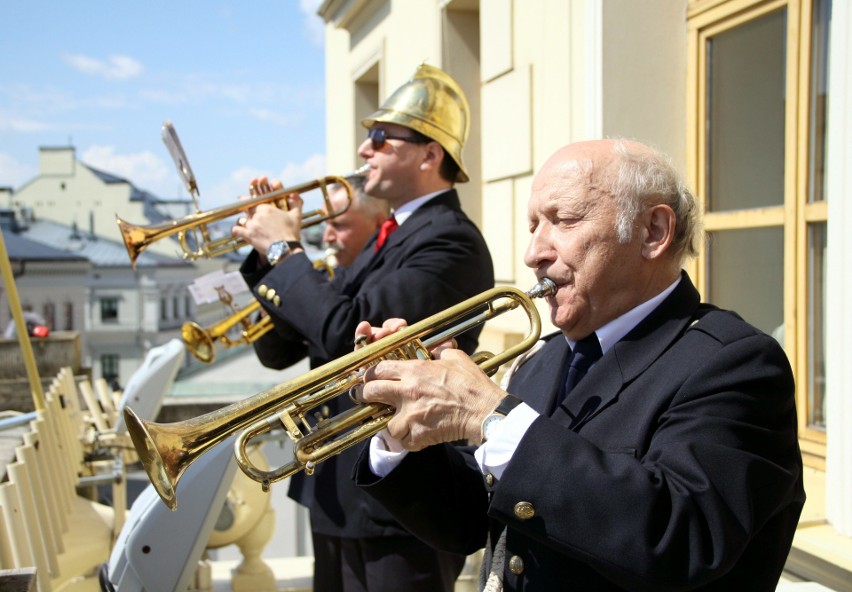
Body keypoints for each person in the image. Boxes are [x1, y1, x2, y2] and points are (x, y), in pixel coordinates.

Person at [352, 139, 806, 591]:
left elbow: (680, 538)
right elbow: (469, 522)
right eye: (533, 227)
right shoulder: (545, 360)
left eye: (563, 220)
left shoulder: (735, 363)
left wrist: (490, 416)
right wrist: (400, 421)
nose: (534, 253)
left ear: (652, 231)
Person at [232, 63, 495, 592]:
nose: (363, 150)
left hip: (400, 503)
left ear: (429, 154)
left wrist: (284, 250)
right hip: (339, 489)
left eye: (380, 138)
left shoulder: (449, 241)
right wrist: (267, 260)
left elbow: (346, 338)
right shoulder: (388, 238)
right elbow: (281, 352)